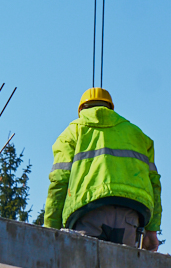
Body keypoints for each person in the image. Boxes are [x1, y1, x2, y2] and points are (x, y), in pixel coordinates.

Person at [43, 88, 162, 250]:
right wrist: (152, 230)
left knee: (84, 265)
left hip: (88, 212)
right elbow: (154, 183)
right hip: (130, 216)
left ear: (81, 110)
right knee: (121, 265)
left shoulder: (71, 133)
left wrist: (51, 230)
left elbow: (59, 181)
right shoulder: (137, 135)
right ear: (110, 107)